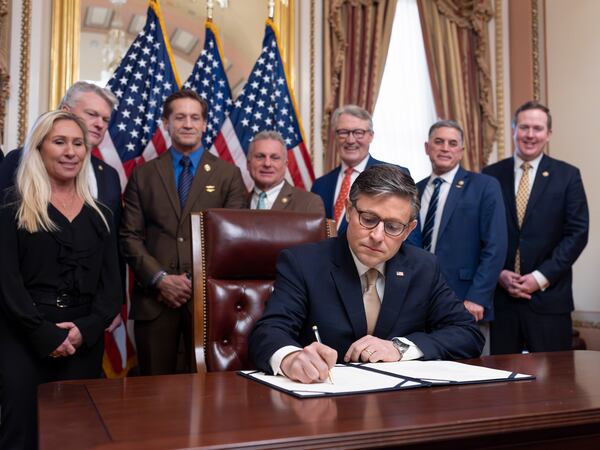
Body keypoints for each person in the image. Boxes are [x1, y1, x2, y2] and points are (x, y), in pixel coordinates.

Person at [250, 165, 484, 383]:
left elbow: (467, 334)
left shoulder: (423, 267)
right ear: (350, 212)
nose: (377, 236)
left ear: (408, 230)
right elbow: (269, 332)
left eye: (393, 227)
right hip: (325, 400)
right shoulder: (303, 263)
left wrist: (399, 348)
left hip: (399, 406)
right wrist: (290, 358)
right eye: (369, 219)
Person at [0, 111, 121, 449]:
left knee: (78, 436)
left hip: (82, 340)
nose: (71, 151)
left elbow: (112, 289)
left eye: (78, 143)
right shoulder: (11, 209)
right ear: (39, 149)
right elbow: (6, 283)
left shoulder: (101, 215)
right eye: (60, 142)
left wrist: (86, 330)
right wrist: (43, 334)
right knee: (20, 434)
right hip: (23, 338)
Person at [120, 89, 247, 375]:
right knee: (152, 396)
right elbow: (129, 237)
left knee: (206, 394)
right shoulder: (144, 174)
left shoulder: (229, 175)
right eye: (179, 117)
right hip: (154, 302)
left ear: (204, 124)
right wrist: (161, 279)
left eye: (194, 117)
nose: (187, 124)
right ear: (166, 123)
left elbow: (233, 241)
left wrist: (192, 280)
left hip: (207, 304)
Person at [482, 101, 589, 354]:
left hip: (549, 298)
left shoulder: (568, 175)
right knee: (502, 384)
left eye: (538, 128)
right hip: (501, 298)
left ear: (548, 134)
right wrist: (499, 273)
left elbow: (577, 233)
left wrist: (539, 278)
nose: (530, 135)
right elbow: (481, 233)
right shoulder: (489, 175)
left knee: (555, 382)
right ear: (513, 130)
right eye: (524, 127)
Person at [416, 120, 507, 354]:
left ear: (461, 151)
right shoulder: (414, 190)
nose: (445, 148)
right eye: (439, 141)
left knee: (473, 380)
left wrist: (478, 297)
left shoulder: (484, 186)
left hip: (466, 302)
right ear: (427, 147)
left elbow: (495, 246)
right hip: (418, 303)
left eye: (452, 143)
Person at [0, 82, 121, 225]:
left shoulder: (110, 174)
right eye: (92, 114)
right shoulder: (18, 160)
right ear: (66, 111)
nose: (100, 124)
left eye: (105, 119)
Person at [311, 105, 410, 234]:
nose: (350, 140)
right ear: (335, 136)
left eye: (358, 133)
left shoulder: (395, 176)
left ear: (371, 136)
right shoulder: (320, 185)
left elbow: (408, 238)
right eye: (343, 132)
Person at [246, 130, 325, 214]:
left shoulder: (309, 204)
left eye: (275, 158)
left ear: (285, 164)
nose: (267, 164)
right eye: (260, 157)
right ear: (248, 163)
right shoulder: (236, 203)